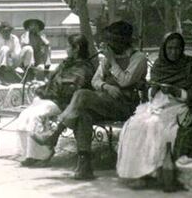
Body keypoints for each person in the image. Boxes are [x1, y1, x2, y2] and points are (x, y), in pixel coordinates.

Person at [34, 20, 148, 180]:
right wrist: (106, 87)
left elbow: (125, 81)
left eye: (113, 40)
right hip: (105, 102)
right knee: (82, 115)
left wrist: (113, 62)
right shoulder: (108, 57)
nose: (109, 44)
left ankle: (54, 136)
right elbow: (95, 81)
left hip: (126, 106)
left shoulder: (138, 58)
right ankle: (85, 166)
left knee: (82, 94)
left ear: (124, 40)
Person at [116, 32, 192, 182]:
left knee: (156, 126)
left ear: (182, 48)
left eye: (177, 48)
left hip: (180, 106)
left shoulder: (189, 65)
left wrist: (177, 91)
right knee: (135, 125)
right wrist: (153, 89)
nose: (173, 52)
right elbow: (151, 92)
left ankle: (154, 171)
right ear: (164, 49)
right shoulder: (159, 65)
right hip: (157, 104)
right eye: (169, 48)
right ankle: (137, 173)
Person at [4, 34, 97, 167]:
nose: (66, 49)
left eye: (68, 46)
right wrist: (46, 90)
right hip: (52, 98)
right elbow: (54, 82)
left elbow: (70, 89)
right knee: (25, 115)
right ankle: (29, 154)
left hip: (66, 104)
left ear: (76, 48)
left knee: (37, 115)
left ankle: (44, 154)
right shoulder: (66, 63)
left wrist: (51, 88)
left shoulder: (84, 67)